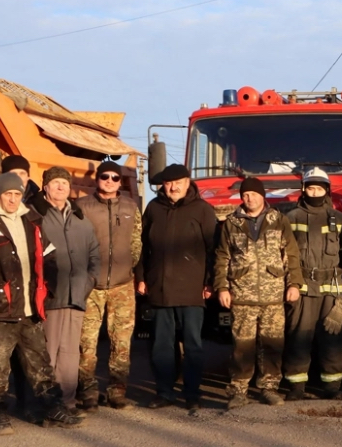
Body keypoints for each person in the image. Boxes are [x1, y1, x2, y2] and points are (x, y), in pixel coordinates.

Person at [0, 172, 83, 435]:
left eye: (16, 194)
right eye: (8, 194)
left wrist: (47, 290)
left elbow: (48, 257)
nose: (13, 199)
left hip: (29, 310)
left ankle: (53, 406)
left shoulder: (31, 221)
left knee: (40, 363)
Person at [137, 164, 218, 414]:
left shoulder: (203, 210)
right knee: (161, 344)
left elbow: (213, 249)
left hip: (192, 289)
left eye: (178, 182)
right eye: (168, 183)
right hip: (159, 288)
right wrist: (141, 277)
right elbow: (141, 246)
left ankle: (192, 394)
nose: (173, 187)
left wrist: (210, 281)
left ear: (187, 181)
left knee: (193, 345)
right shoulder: (153, 208)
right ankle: (164, 392)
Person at [216, 177, 303, 409]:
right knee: (242, 345)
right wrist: (222, 287)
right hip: (241, 294)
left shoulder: (279, 220)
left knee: (272, 343)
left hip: (273, 294)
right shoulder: (231, 223)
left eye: (253, 194)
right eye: (245, 195)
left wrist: (294, 284)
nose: (249, 198)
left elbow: (291, 254)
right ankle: (238, 390)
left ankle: (269, 387)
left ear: (262, 195)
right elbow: (222, 257)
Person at [76, 160, 142, 411]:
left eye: (116, 178)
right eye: (105, 177)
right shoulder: (82, 206)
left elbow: (136, 241)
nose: (110, 181)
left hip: (122, 285)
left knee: (121, 342)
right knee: (87, 343)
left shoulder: (130, 206)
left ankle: (117, 391)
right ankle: (88, 392)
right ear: (97, 179)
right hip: (92, 285)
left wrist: (129, 267)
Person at [37, 166, 100, 415]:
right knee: (48, 350)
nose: (60, 187)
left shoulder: (79, 218)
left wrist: (89, 280)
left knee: (70, 352)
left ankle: (68, 401)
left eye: (64, 182)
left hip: (77, 294)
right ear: (45, 187)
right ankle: (47, 402)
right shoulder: (36, 215)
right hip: (51, 295)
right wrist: (45, 283)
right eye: (55, 183)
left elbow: (94, 252)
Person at [283, 167, 342, 400]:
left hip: (331, 291)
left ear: (327, 190)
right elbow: (285, 255)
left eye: (319, 188)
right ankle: (296, 386)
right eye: (311, 187)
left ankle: (332, 387)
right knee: (299, 336)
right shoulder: (291, 218)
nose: (315, 192)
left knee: (332, 338)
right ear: (303, 189)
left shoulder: (339, 219)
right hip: (301, 288)